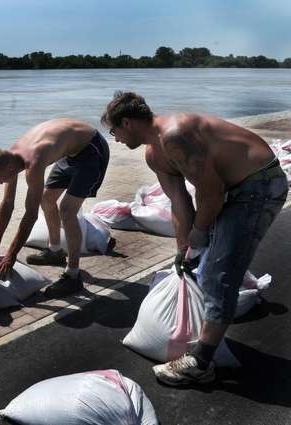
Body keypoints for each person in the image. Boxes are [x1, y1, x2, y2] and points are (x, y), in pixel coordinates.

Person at [101, 91, 288, 386]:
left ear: (126, 122)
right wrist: (183, 247)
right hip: (232, 188)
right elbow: (178, 202)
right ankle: (219, 312)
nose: (116, 139)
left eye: (114, 132)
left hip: (260, 183)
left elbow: (210, 193)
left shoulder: (175, 134)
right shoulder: (154, 154)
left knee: (217, 272)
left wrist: (198, 235)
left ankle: (200, 364)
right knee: (204, 263)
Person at [0, 118, 110, 297]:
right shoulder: (10, 157)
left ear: (10, 167)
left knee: (67, 210)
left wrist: (11, 254)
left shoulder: (33, 162)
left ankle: (73, 276)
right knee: (46, 198)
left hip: (91, 149)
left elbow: (30, 214)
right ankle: (55, 251)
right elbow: (7, 203)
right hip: (70, 151)